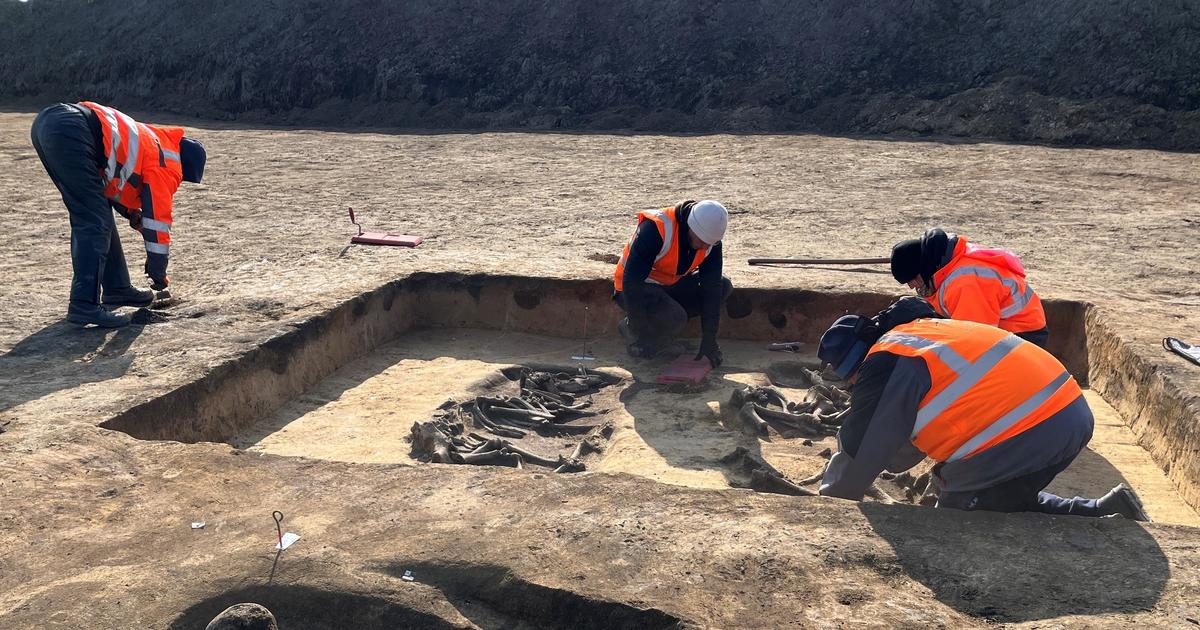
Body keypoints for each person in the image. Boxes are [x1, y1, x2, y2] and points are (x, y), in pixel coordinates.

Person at [814, 296, 1149, 520]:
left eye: (852, 378)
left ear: (858, 363)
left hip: (1035, 426)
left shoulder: (888, 359)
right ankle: (1107, 510)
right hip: (1067, 410)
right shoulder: (924, 335)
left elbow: (864, 447)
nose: (856, 386)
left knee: (962, 509)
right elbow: (901, 449)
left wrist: (831, 504)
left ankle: (1095, 516)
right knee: (995, 498)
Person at [31, 101, 206, 328]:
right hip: (71, 130)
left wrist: (130, 212)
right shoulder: (168, 162)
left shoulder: (154, 141)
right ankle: (83, 305)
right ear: (186, 166)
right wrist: (157, 271)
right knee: (94, 220)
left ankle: (117, 288)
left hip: (50, 123)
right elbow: (158, 221)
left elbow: (116, 179)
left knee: (98, 213)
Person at [612, 200, 733, 367]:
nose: (704, 247)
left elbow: (711, 287)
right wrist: (640, 330)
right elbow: (632, 282)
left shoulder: (710, 242)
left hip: (669, 284)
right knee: (675, 317)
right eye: (701, 240)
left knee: (723, 286)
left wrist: (709, 340)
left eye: (709, 243)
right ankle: (631, 329)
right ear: (690, 227)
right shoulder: (657, 228)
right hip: (632, 289)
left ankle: (662, 328)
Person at [890, 228, 1049, 347]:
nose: (913, 287)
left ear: (923, 269)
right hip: (1005, 332)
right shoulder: (949, 265)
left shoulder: (966, 282)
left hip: (1023, 337)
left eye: (913, 279)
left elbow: (976, 341)